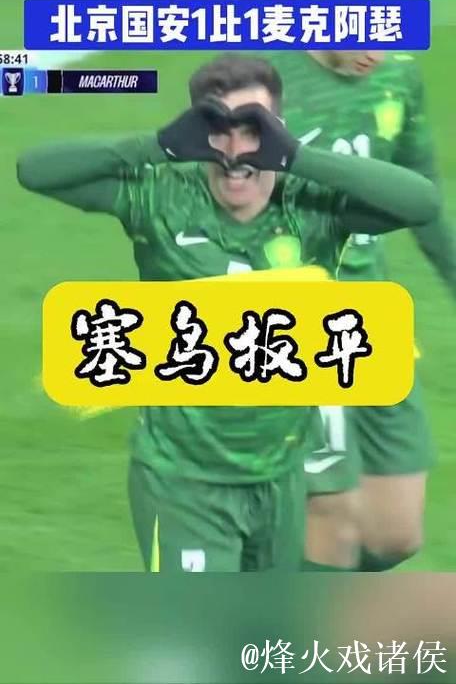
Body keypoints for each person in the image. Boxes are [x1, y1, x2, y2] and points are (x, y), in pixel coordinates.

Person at [17, 55, 439, 572]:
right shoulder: (161, 198)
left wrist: (297, 157)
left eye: (254, 129)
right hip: (182, 482)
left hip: (280, 478)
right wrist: (158, 145)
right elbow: (35, 169)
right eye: (217, 128)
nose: (237, 151)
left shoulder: (312, 207)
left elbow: (420, 202)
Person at [268, 49, 456, 571]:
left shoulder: (398, 74)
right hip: (288, 328)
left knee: (394, 536)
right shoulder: (258, 75)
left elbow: (423, 196)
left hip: (371, 324)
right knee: (331, 519)